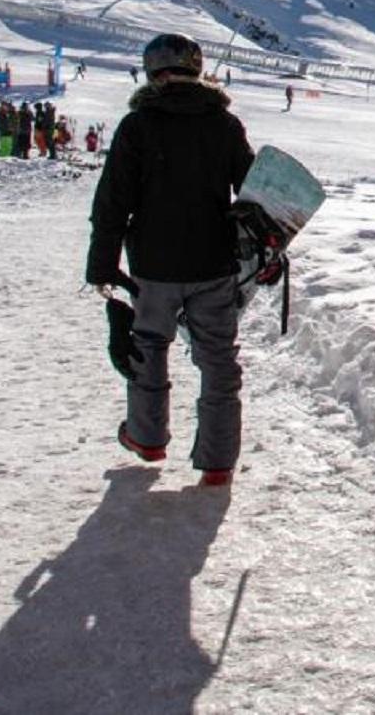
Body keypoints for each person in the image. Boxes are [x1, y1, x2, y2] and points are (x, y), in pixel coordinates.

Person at [86, 33, 254, 490]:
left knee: (149, 347)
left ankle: (147, 438)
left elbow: (112, 202)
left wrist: (102, 265)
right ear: (196, 69)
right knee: (218, 359)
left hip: (154, 267)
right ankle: (217, 462)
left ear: (151, 71)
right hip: (213, 264)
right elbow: (256, 193)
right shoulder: (224, 124)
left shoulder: (137, 125)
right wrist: (266, 252)